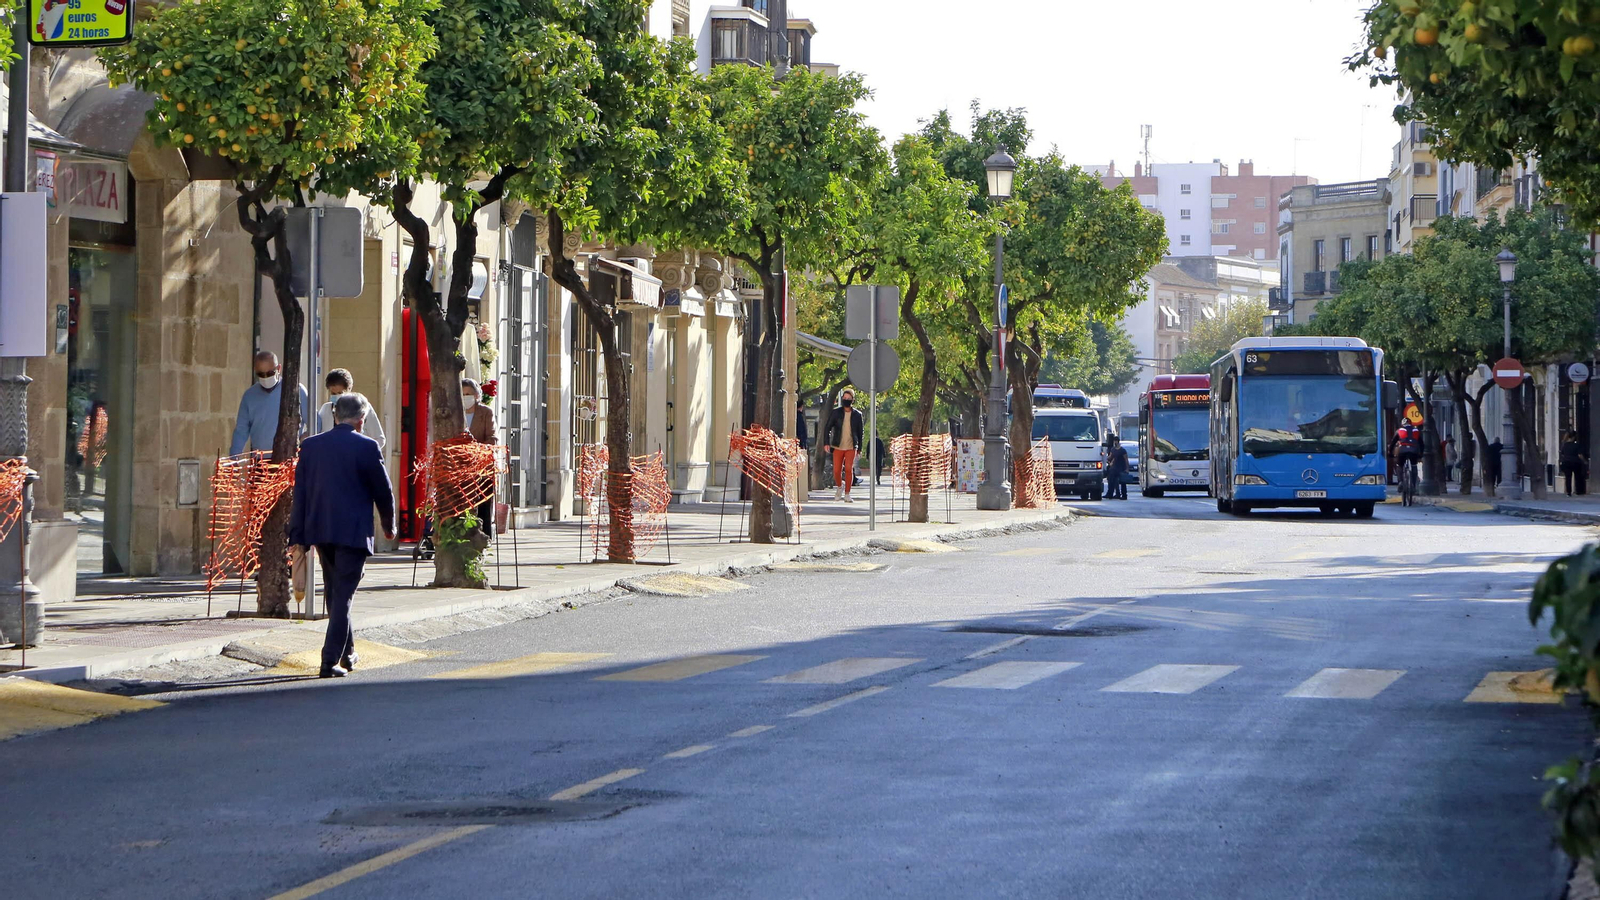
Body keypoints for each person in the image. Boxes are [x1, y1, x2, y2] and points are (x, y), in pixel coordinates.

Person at [288, 393, 395, 679]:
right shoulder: (368, 446)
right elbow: (383, 492)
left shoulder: (310, 446)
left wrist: (297, 533)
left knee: (335, 592)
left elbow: (300, 494)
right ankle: (329, 659)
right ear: (361, 421)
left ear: (335, 416)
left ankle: (347, 653)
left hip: (321, 530)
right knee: (343, 595)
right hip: (353, 532)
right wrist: (389, 525)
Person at [230, 350, 309, 456]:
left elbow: (315, 423)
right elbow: (241, 430)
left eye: (270, 373)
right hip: (261, 463)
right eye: (261, 374)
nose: (266, 378)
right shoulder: (249, 396)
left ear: (279, 369)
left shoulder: (296, 390)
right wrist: (234, 458)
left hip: (290, 461)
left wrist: (305, 437)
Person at [317, 368, 386, 451]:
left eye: (340, 393)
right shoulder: (326, 409)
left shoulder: (363, 407)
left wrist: (362, 451)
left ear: (349, 390)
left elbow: (380, 439)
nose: (336, 397)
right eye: (333, 393)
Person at [462, 378, 497, 535]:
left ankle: (485, 537)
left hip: (481, 467)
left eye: (468, 394)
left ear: (477, 395)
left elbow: (492, 438)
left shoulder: (485, 413)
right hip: (460, 467)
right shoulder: (456, 413)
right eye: (462, 394)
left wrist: (475, 449)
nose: (465, 397)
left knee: (483, 505)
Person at [822, 390, 864, 502]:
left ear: (852, 400)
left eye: (848, 398)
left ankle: (847, 494)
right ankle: (840, 487)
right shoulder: (836, 413)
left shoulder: (857, 415)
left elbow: (860, 433)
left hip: (851, 446)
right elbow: (828, 427)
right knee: (836, 470)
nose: (846, 400)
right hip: (838, 445)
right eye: (844, 398)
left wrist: (859, 448)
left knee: (849, 469)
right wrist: (826, 442)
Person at [1389, 419, 1423, 486]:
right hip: (1413, 450)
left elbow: (1393, 443)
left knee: (1399, 465)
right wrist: (1420, 454)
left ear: (1402, 424)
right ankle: (1413, 484)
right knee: (1414, 465)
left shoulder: (1399, 430)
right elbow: (1421, 444)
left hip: (1402, 450)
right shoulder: (1416, 430)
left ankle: (1401, 481)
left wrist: (1390, 453)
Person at [1561, 431, 1588, 496]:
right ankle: (1578, 491)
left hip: (1566, 462)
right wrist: (1584, 461)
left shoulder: (1565, 445)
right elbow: (1579, 455)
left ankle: (1568, 492)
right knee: (1577, 476)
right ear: (1574, 437)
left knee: (1568, 478)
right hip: (1575, 462)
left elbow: (1562, 454)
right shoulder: (1576, 445)